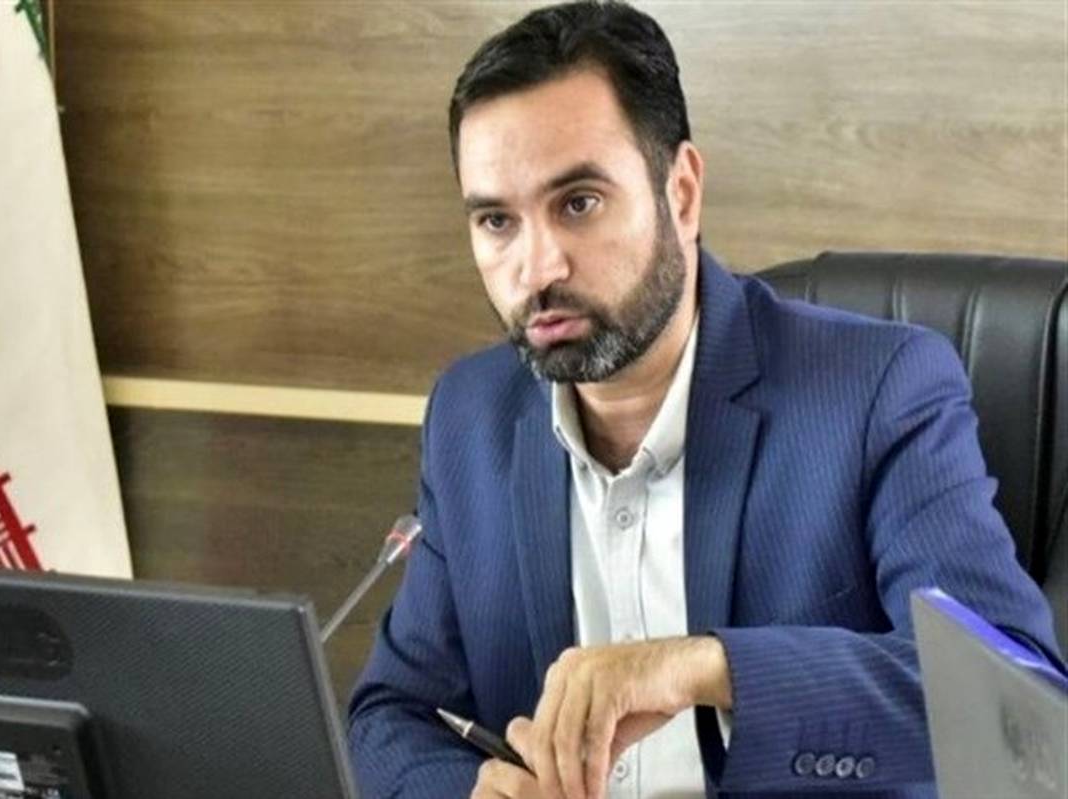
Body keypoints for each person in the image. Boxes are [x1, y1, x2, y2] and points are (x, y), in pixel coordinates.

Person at [346, 2, 1063, 798]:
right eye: (496, 220)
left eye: (578, 202)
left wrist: (707, 667)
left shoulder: (879, 391)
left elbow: (1014, 712)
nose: (537, 266)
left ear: (681, 193)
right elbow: (390, 713)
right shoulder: (471, 415)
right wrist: (473, 790)